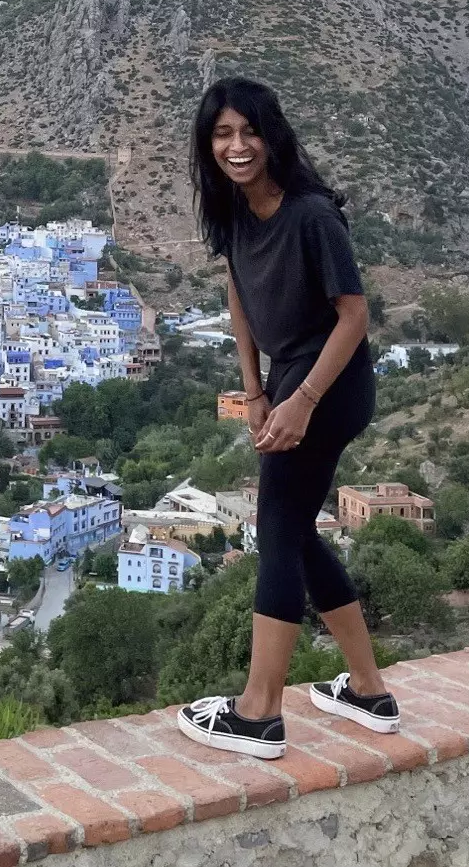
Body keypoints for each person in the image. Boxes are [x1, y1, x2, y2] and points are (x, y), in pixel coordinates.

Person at [175, 76, 400, 760]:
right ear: (208, 144)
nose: (237, 146)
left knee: (275, 526)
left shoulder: (311, 216)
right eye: (222, 134)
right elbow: (238, 295)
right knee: (295, 532)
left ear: (272, 136)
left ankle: (258, 711)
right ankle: (367, 689)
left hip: (331, 380)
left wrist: (301, 400)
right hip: (288, 377)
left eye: (249, 131)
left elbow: (354, 316)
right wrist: (254, 389)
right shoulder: (233, 208)